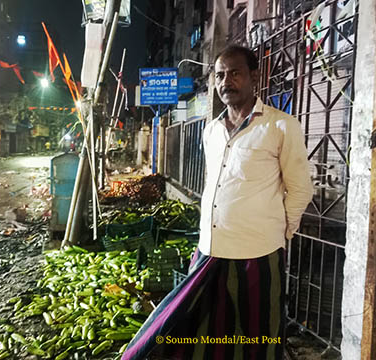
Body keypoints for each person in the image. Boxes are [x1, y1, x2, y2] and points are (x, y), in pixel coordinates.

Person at [122, 45, 313, 360]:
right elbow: (216, 183)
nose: (226, 82)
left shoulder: (280, 126)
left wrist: (280, 234)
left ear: (255, 76)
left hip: (258, 255)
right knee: (194, 331)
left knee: (259, 339)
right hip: (210, 250)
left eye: (235, 73)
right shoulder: (211, 130)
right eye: (221, 75)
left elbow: (300, 189)